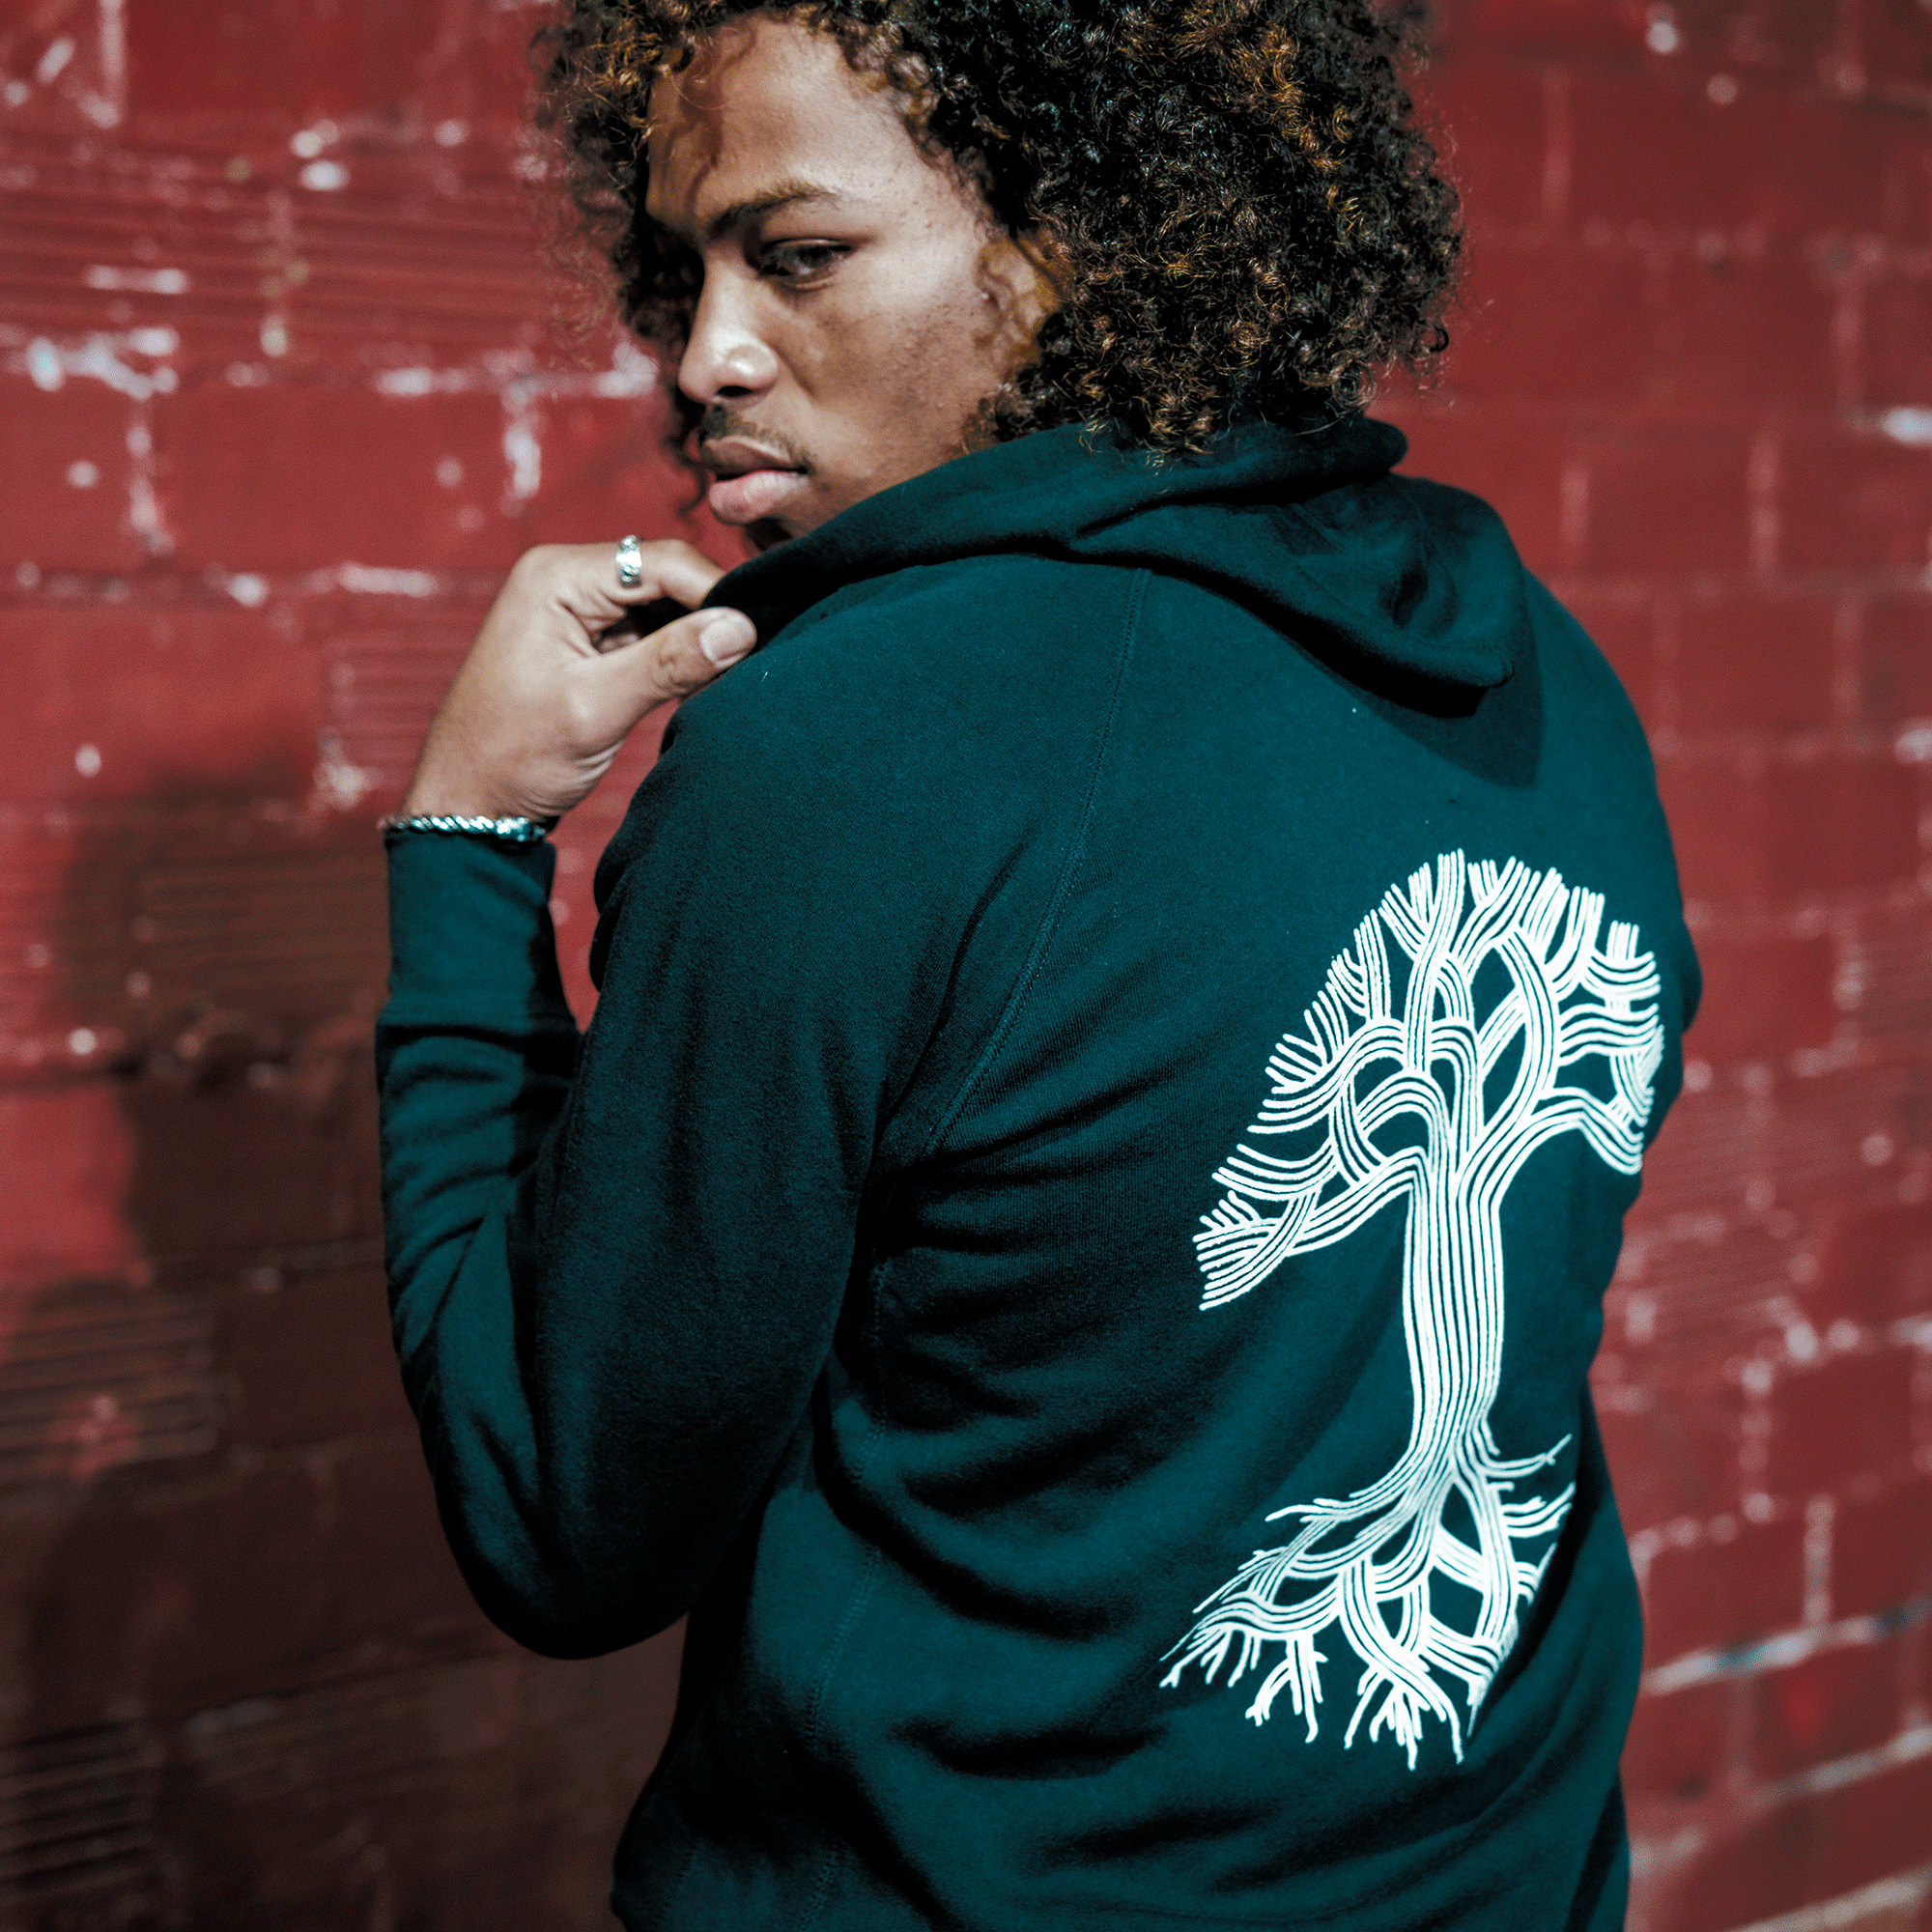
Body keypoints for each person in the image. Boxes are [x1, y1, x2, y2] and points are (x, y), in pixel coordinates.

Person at [376, 2, 1700, 1927]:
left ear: (1083, 226)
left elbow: (557, 1509)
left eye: (797, 254)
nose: (701, 353)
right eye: (682, 269)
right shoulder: (1545, 679)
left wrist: (468, 842)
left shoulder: (855, 743)